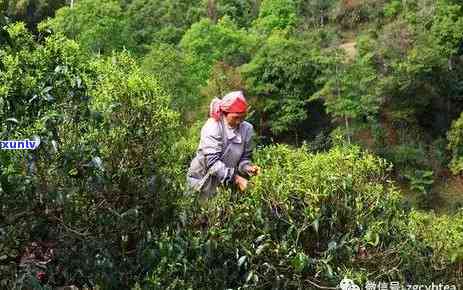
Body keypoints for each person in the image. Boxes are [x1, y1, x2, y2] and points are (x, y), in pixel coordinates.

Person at [186, 91, 260, 201]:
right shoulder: (213, 126)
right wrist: (237, 179)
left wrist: (248, 168)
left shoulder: (247, 129)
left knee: (222, 214)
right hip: (202, 180)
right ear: (225, 113)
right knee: (197, 213)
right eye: (236, 117)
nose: (240, 121)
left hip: (225, 184)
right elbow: (212, 163)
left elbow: (244, 159)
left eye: (243, 117)